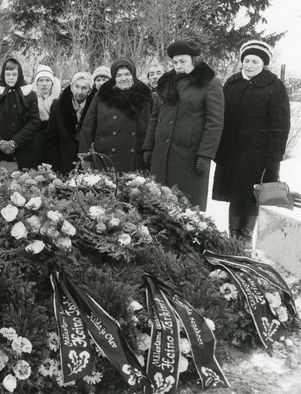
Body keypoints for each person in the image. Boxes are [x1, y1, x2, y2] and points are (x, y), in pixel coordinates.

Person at [212, 40, 290, 244]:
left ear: (264, 64)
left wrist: (274, 158)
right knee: (235, 196)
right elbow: (220, 117)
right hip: (232, 153)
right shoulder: (232, 83)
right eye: (246, 60)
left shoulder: (274, 87)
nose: (249, 65)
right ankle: (233, 238)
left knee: (252, 196)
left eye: (255, 61)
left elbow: (280, 126)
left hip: (258, 156)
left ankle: (245, 240)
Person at [143, 39, 224, 210]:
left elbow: (214, 122)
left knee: (187, 210)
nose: (178, 66)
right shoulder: (166, 83)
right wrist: (148, 148)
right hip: (162, 154)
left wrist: (205, 155)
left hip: (189, 157)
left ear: (194, 60)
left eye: (183, 61)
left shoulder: (210, 84)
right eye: (175, 62)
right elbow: (155, 117)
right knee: (159, 207)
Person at [78, 58, 152, 173]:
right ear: (114, 78)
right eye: (119, 75)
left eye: (127, 74)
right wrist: (86, 158)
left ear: (133, 75)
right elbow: (87, 129)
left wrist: (149, 153)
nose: (123, 78)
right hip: (106, 158)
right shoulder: (102, 95)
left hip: (136, 159)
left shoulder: (146, 96)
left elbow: (153, 127)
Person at [0, 57, 41, 172]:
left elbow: (34, 121)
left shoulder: (30, 94)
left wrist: (15, 142)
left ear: (19, 74)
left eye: (14, 74)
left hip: (22, 151)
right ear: (3, 74)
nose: (11, 78)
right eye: (8, 74)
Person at [43, 71, 94, 174]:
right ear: (71, 87)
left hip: (85, 163)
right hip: (63, 161)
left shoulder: (94, 107)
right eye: (77, 86)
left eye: (84, 88)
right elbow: (52, 139)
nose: (79, 92)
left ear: (90, 90)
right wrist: (54, 168)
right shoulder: (58, 106)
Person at [33, 64, 60, 165]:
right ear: (36, 83)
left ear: (52, 83)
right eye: (41, 80)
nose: (44, 84)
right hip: (34, 144)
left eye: (47, 80)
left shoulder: (58, 100)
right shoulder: (31, 99)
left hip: (53, 145)